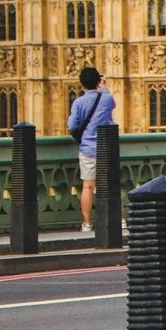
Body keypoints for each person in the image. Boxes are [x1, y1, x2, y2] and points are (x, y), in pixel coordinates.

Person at [68, 66, 117, 229]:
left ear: (82, 84)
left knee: (88, 187)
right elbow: (111, 103)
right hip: (107, 149)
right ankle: (118, 220)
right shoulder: (107, 98)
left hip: (88, 149)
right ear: (98, 81)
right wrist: (104, 87)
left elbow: (72, 125)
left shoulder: (78, 102)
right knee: (111, 185)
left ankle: (87, 223)